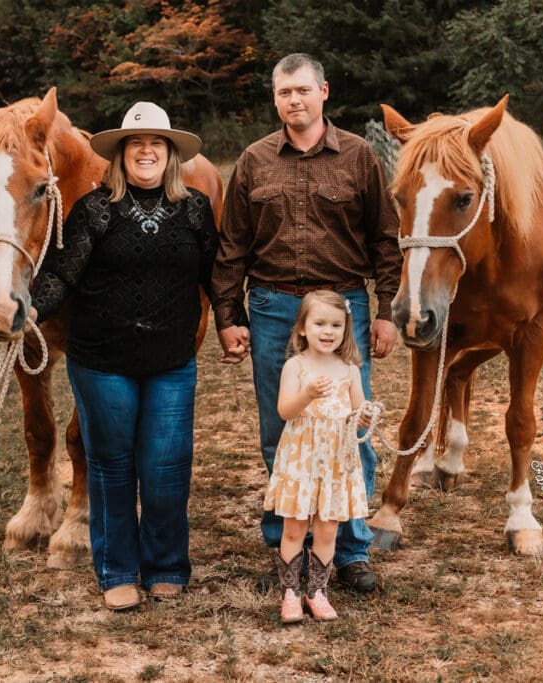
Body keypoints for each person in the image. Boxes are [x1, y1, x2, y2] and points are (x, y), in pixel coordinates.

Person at [212, 53, 401, 593]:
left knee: (350, 428)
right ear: (275, 100)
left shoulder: (360, 157)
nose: (293, 100)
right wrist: (229, 316)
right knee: (282, 429)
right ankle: (287, 549)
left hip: (343, 309)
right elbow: (232, 247)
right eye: (283, 93)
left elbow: (385, 239)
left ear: (323, 92)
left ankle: (350, 550)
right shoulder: (253, 160)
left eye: (301, 90)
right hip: (272, 307)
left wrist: (384, 311)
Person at [30, 102, 219, 611]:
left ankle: (165, 565)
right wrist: (28, 307)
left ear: (170, 154)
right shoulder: (94, 210)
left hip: (171, 360)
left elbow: (213, 276)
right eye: (135, 144)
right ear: (120, 155)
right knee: (111, 466)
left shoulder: (195, 209)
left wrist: (233, 319)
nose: (146, 151)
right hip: (101, 362)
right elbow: (62, 274)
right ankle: (116, 569)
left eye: (156, 143)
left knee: (166, 468)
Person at [266, 291, 372, 622]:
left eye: (336, 325)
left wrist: (365, 416)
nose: (328, 332)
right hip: (301, 460)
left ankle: (317, 591)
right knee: (295, 529)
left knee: (328, 530)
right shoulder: (295, 367)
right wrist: (308, 393)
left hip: (337, 463)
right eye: (320, 323)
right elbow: (284, 410)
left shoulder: (349, 370)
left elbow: (357, 413)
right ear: (302, 328)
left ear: (346, 329)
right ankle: (290, 593)